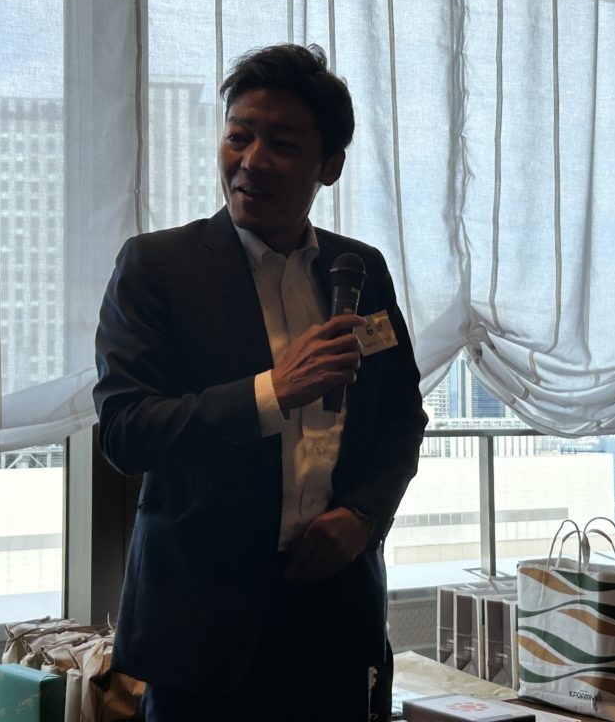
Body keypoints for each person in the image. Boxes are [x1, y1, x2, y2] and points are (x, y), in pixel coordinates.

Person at [93, 43, 427, 722]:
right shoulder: (158, 267)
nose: (251, 159)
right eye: (238, 135)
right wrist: (273, 391)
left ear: (329, 166)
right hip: (200, 635)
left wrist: (362, 516)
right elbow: (127, 432)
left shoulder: (360, 270)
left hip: (334, 619)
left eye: (282, 143)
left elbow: (401, 420)